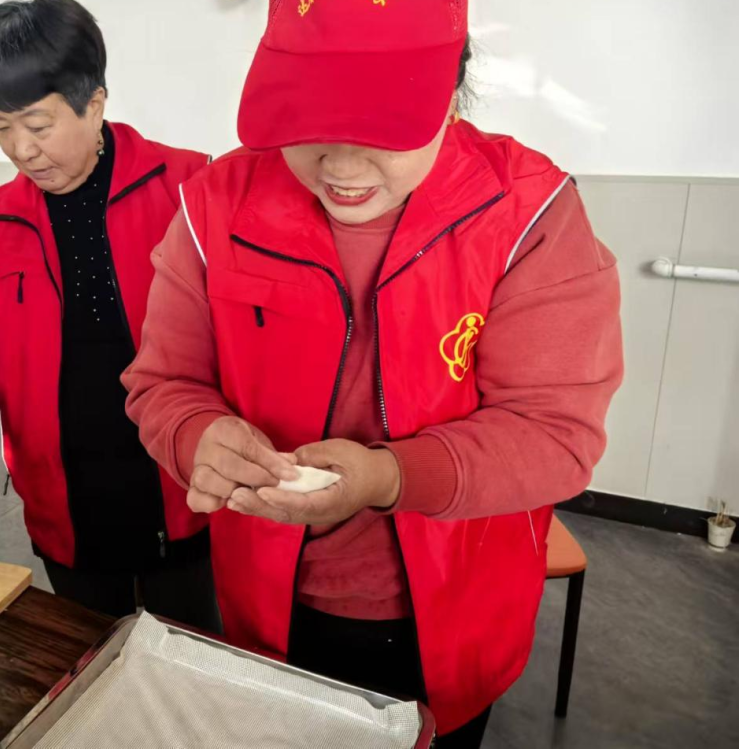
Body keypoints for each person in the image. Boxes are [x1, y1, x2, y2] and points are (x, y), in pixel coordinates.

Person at [123, 1, 622, 745]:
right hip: (271, 602)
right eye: (309, 121)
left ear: (451, 96)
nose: (343, 167)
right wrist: (197, 434)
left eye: (382, 126)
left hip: (452, 610)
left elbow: (554, 434)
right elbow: (163, 383)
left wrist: (386, 478)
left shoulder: (527, 214)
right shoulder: (215, 207)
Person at [0, 0, 218, 630]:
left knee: (195, 663)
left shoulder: (188, 187)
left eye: (38, 125)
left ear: (93, 103)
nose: (21, 149)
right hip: (66, 499)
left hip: (182, 488)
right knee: (88, 655)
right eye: (0, 127)